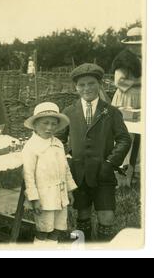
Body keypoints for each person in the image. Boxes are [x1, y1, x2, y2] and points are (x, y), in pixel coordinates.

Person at [57, 63, 131, 242]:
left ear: (100, 84)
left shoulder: (111, 112)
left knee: (107, 217)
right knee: (82, 216)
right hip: (78, 175)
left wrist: (110, 163)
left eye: (91, 83)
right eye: (81, 85)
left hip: (103, 174)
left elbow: (124, 139)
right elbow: (58, 140)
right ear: (76, 88)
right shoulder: (68, 112)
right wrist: (66, 159)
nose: (86, 88)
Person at [22, 102, 77, 244]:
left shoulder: (58, 143)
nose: (49, 127)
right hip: (44, 196)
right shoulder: (31, 147)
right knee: (44, 229)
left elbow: (65, 168)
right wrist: (34, 198)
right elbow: (28, 175)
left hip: (60, 193)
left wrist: (70, 190)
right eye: (45, 123)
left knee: (58, 228)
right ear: (35, 125)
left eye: (53, 124)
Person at [111, 27, 142, 109]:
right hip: (128, 97)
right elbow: (119, 81)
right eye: (134, 45)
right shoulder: (124, 60)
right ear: (128, 45)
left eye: (140, 45)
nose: (138, 48)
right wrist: (139, 82)